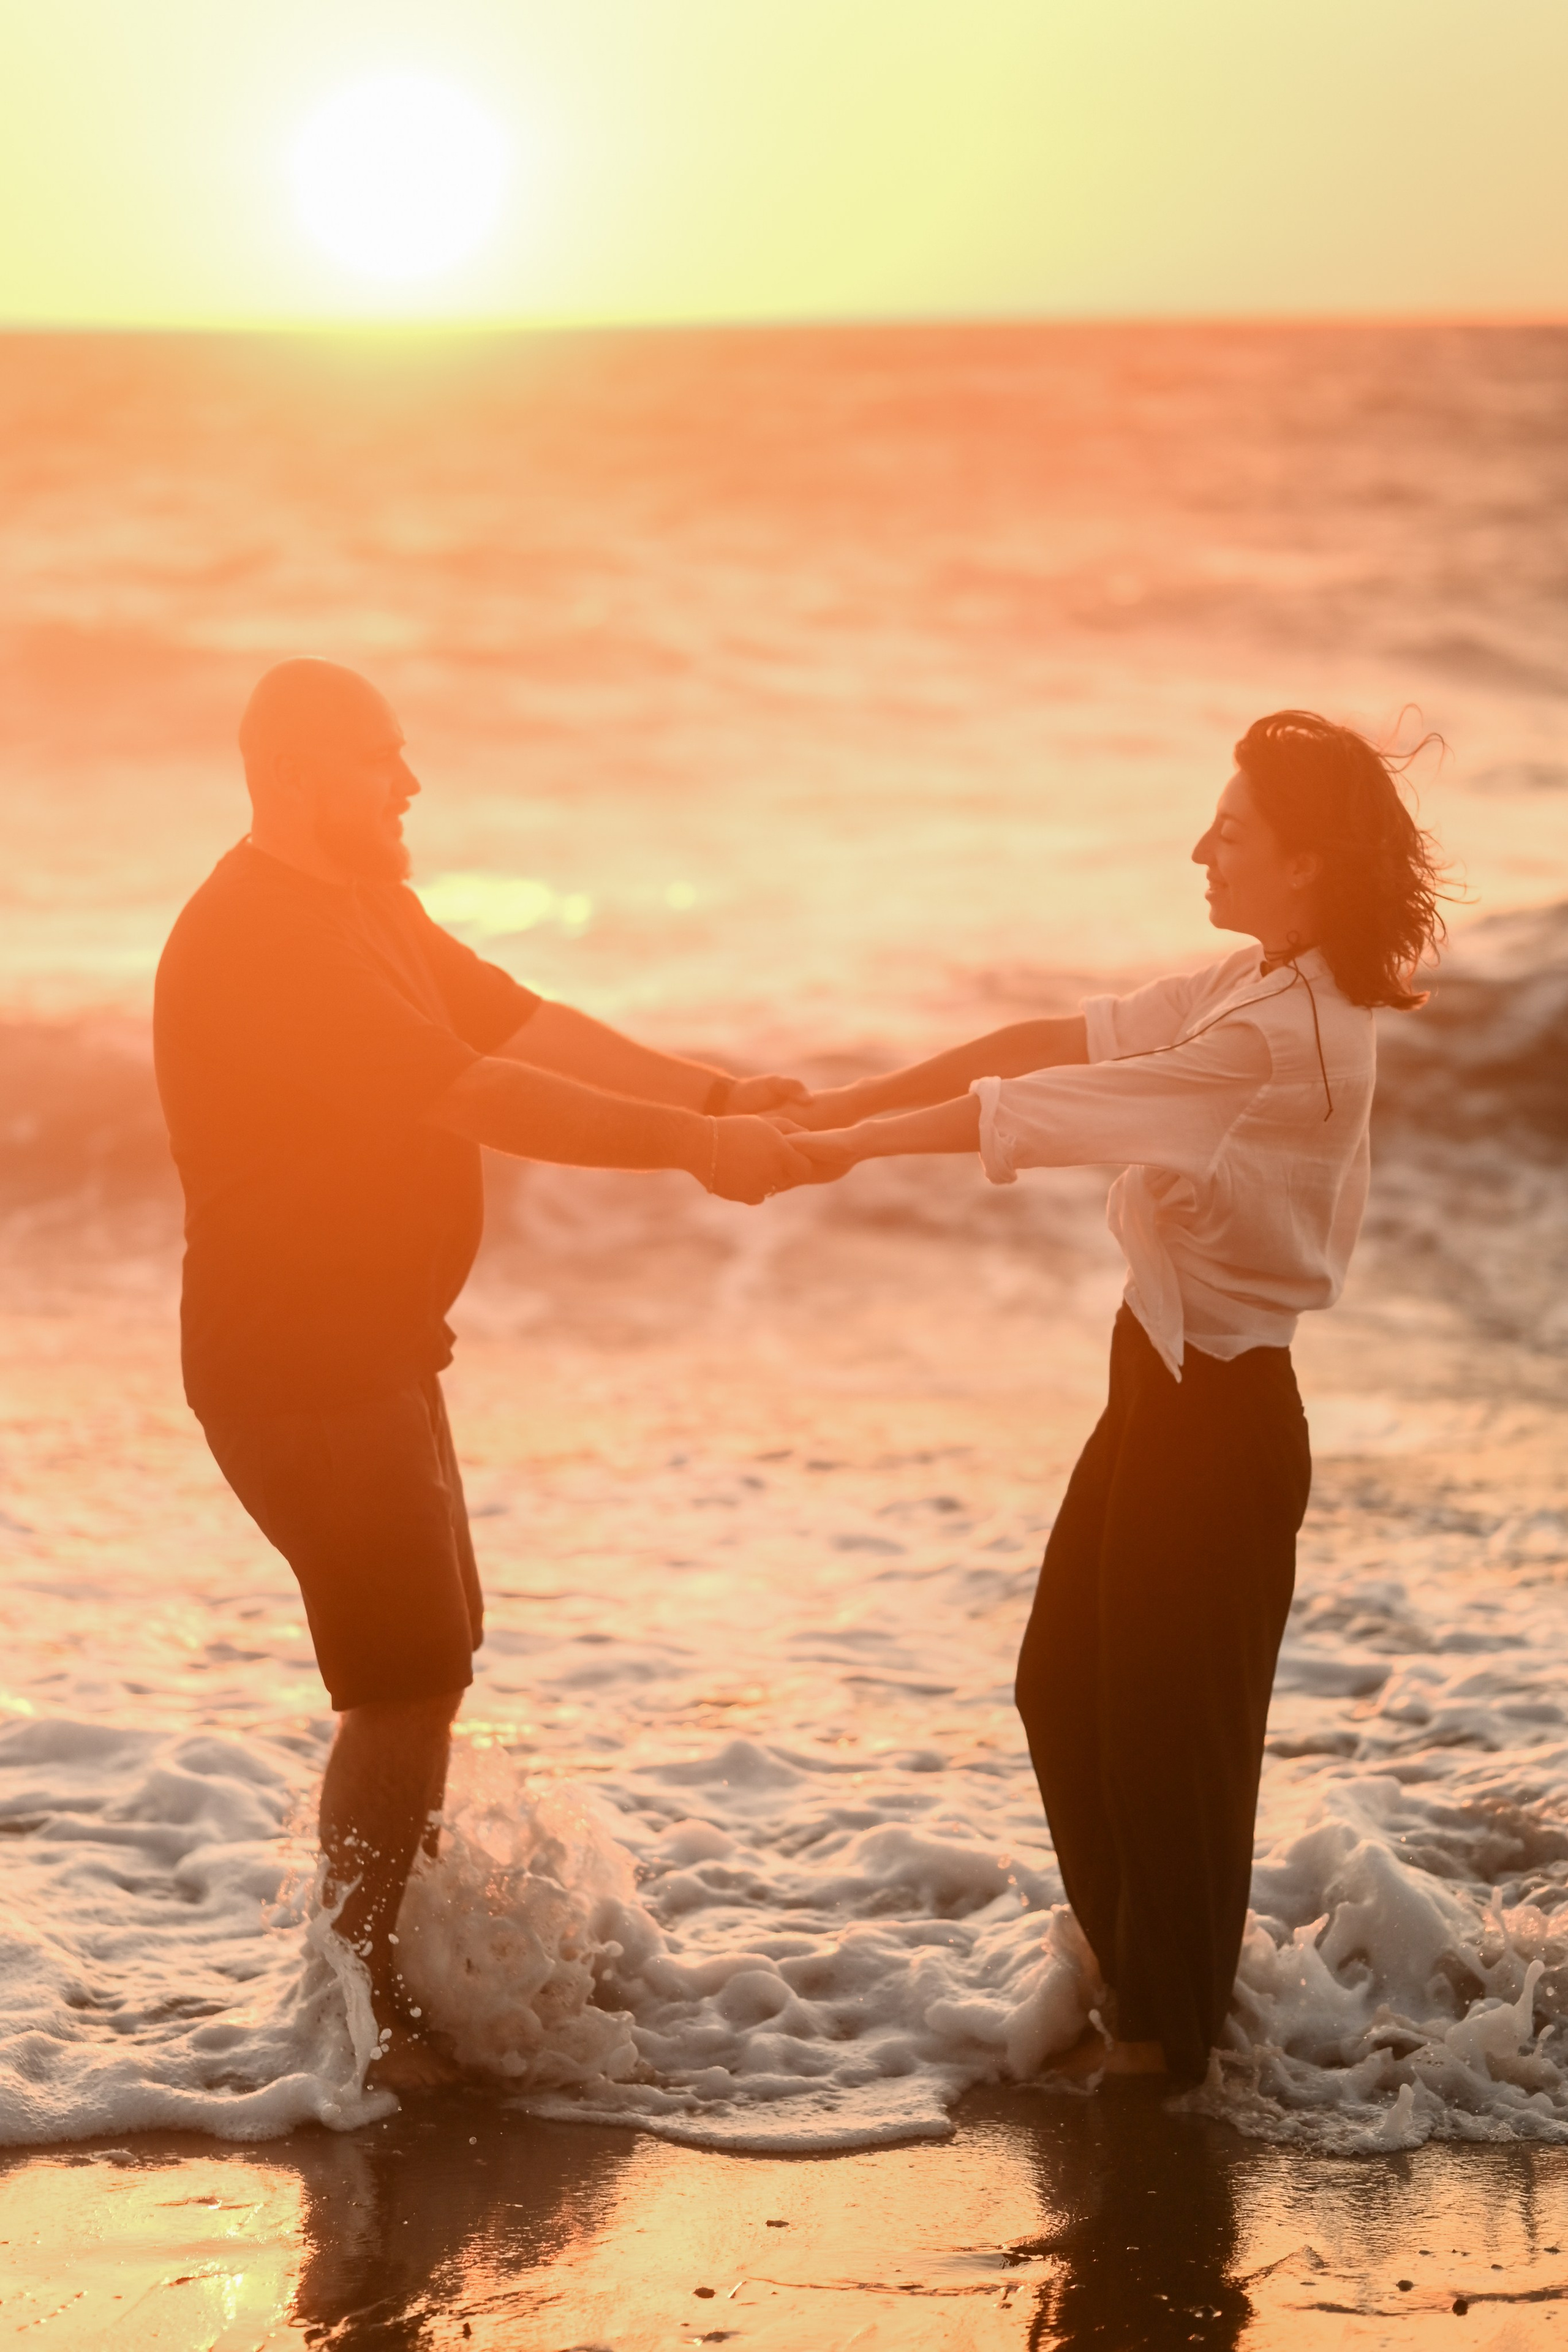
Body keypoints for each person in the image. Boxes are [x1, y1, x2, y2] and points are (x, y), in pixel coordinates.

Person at [154, 658, 820, 2090]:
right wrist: (693, 1153)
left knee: (431, 1660)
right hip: (299, 1361)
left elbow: (520, 1025)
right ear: (298, 773)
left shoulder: (365, 905)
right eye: (381, 760)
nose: (409, 784)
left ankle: (386, 1964)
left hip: (377, 1349)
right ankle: (364, 2018)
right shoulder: (262, 937)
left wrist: (709, 1091)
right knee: (399, 1677)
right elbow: (478, 1092)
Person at [787, 711, 1446, 2086]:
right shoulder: (1249, 984)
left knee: (1169, 1747)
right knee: (1062, 1692)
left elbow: (1023, 1113)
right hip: (1155, 1382)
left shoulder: (1273, 1036)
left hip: (1217, 1416)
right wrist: (842, 1098)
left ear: (1308, 867)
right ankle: (1149, 2000)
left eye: (1232, 831)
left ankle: (1163, 2048)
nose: (1199, 847)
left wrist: (831, 1149)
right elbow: (1048, 1038)